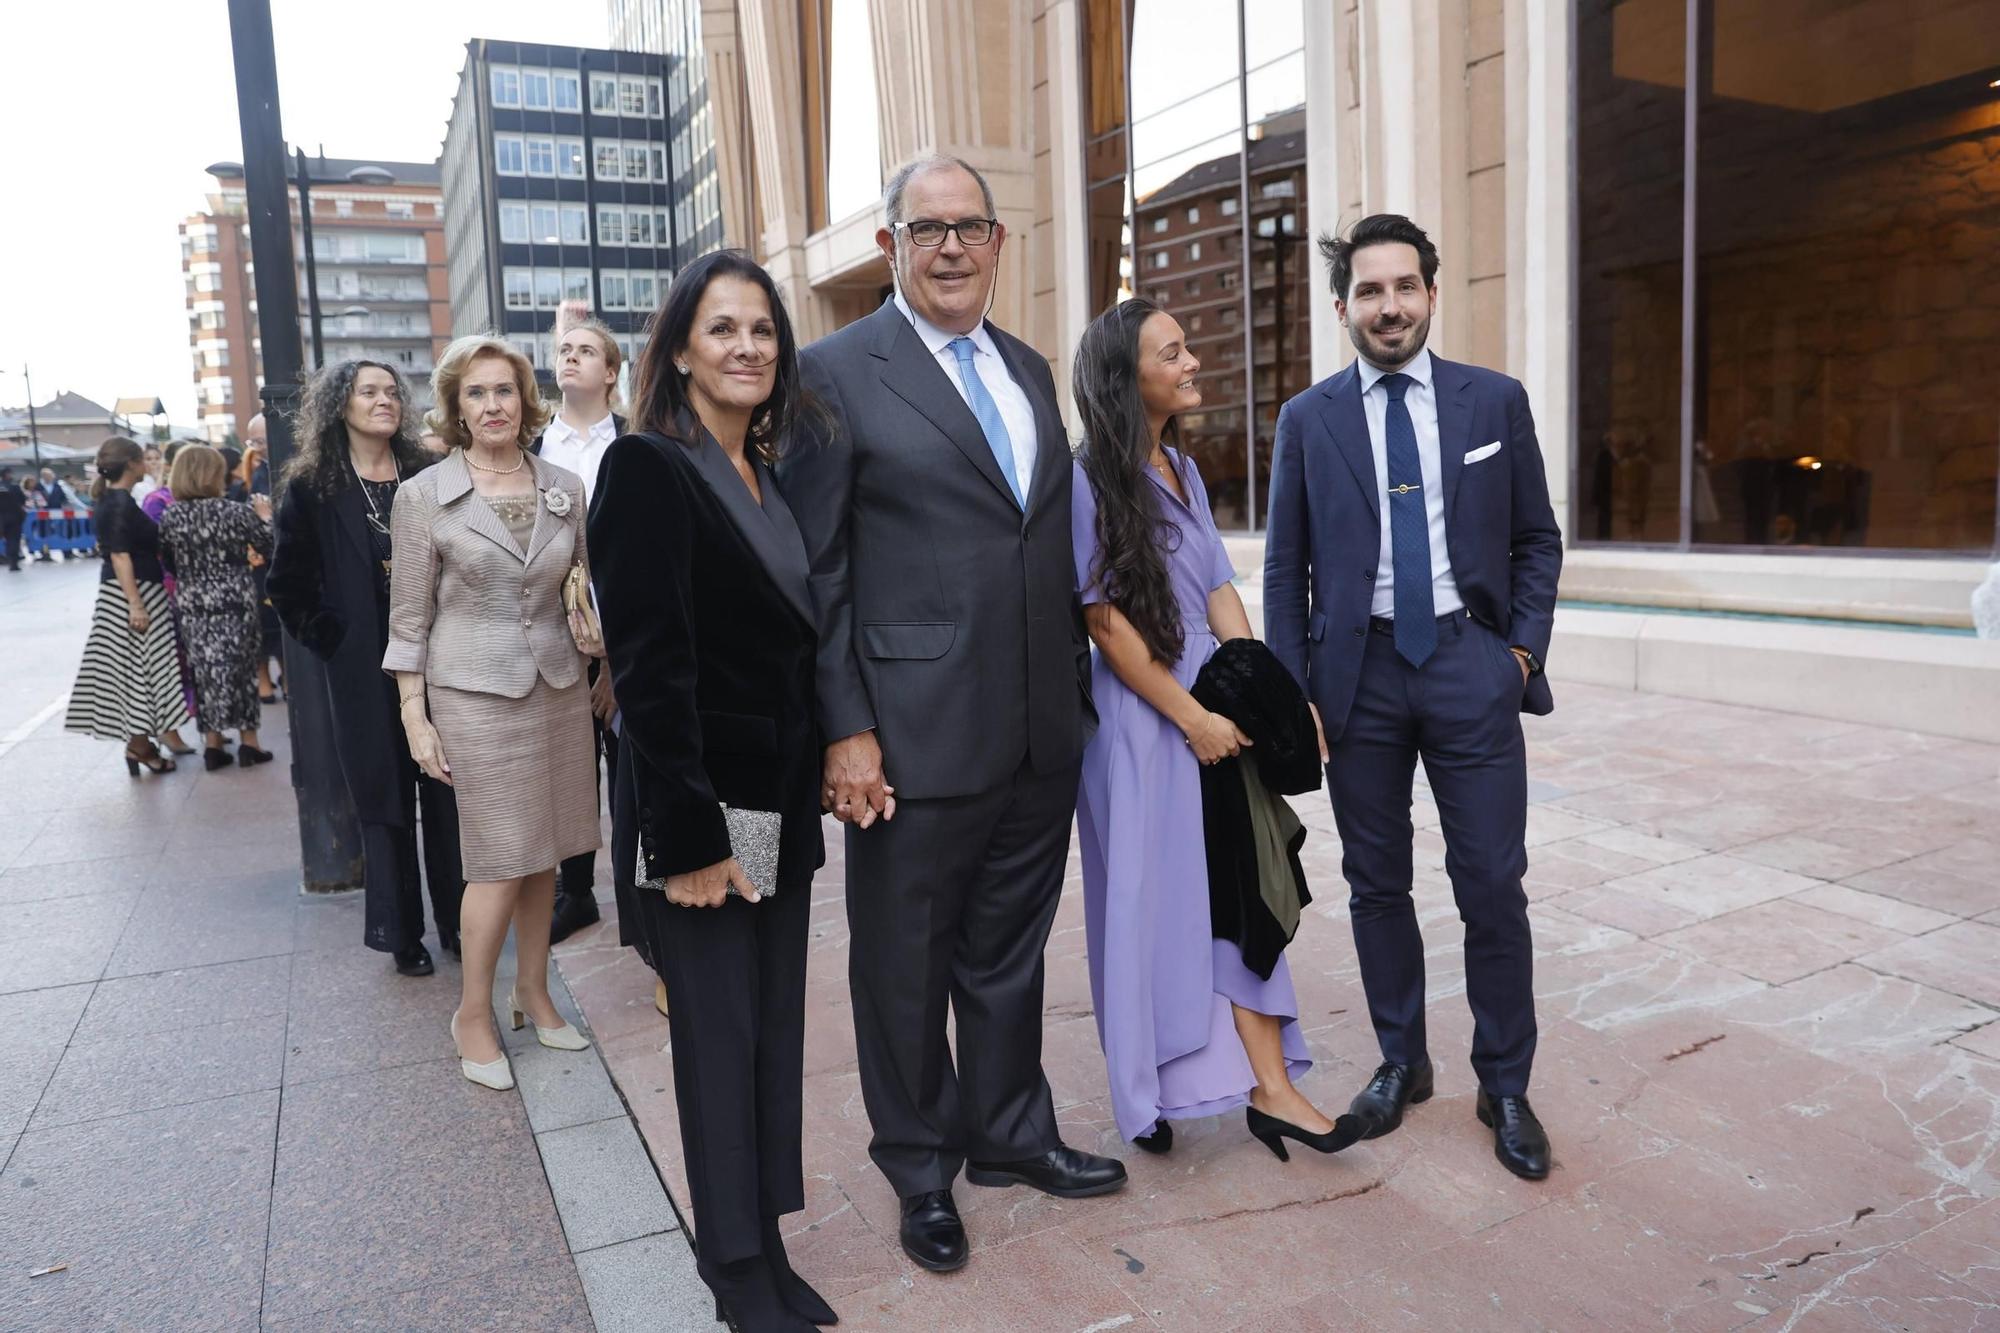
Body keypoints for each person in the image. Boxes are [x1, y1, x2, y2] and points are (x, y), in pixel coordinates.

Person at [778, 155, 1122, 1275]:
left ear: (997, 244)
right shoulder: (831, 373)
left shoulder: (1027, 369)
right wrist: (845, 726)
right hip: (908, 736)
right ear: (888, 246)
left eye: (969, 228)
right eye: (924, 229)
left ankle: (1009, 1135)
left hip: (1035, 729)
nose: (948, 248)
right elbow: (816, 570)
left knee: (1007, 952)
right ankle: (919, 1167)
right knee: (901, 964)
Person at [1263, 215, 1564, 1181]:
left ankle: (1505, 1080)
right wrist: (1294, 693)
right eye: (1369, 290)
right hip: (1361, 681)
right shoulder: (1309, 420)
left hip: (1470, 666)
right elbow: (1284, 570)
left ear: (1431, 294)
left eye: (1404, 286)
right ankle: (1403, 1060)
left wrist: (1517, 652)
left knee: (1491, 884)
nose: (1387, 305)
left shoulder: (1494, 403)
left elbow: (1537, 540)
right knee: (1376, 884)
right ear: (1343, 305)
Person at [593, 250, 832, 1333]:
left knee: (767, 1029)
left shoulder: (763, 477)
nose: (747, 348)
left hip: (774, 802)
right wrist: (683, 838)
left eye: (763, 331)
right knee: (715, 1033)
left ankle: (764, 1237)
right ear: (680, 348)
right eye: (723, 329)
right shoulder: (647, 466)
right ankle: (733, 1268)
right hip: (702, 808)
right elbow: (648, 666)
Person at [1070, 298, 1359, 1162]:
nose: (1193, 361)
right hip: (1143, 717)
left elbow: (1221, 593)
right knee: (1149, 906)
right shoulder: (1087, 480)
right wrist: (1190, 715)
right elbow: (1104, 621)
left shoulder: (1186, 472)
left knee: (1242, 888)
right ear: (1129, 378)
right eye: (1175, 351)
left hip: (1212, 709)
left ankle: (1271, 1087)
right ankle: (1150, 1092)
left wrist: (1268, 696)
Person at [385, 335, 599, 1091]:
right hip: (473, 693)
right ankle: (471, 1010)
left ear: (525, 399)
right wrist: (415, 715)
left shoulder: (565, 485)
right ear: (456, 406)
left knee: (549, 850)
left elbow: (583, 590)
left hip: (560, 686)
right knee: (500, 857)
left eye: (504, 390)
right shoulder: (423, 495)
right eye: (476, 394)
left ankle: (532, 990)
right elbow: (408, 619)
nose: (492, 405)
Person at [269, 361, 465, 977]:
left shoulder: (429, 473)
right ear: (339, 405)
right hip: (361, 668)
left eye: (391, 392)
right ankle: (401, 932)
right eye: (368, 392)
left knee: (446, 790)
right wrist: (338, 637)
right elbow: (287, 586)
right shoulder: (312, 487)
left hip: (438, 657)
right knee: (383, 799)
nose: (384, 401)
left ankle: (461, 922)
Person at [530, 316, 628, 944]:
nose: (570, 358)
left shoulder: (634, 441)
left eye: (586, 351)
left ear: (611, 372)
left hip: (624, 632)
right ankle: (578, 891)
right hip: (552, 631)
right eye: (564, 349)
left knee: (626, 765)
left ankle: (642, 892)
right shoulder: (534, 446)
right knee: (567, 765)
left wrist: (618, 657)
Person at [62, 438, 192, 773]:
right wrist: (136, 604)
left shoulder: (112, 500)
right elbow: (119, 555)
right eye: (143, 459)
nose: (149, 463)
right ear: (133, 463)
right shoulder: (118, 502)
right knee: (143, 672)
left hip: (127, 594)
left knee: (137, 673)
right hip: (134, 595)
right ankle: (139, 746)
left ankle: (141, 746)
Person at [155, 445, 275, 769]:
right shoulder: (234, 512)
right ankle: (249, 743)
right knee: (242, 669)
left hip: (193, 601)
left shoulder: (171, 516)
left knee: (205, 672)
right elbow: (267, 546)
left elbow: (167, 560)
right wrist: (266, 518)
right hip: (236, 599)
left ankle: (213, 744)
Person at [241, 415, 283, 704]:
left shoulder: (279, 467)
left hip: (276, 557)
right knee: (265, 627)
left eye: (260, 441)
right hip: (264, 563)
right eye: (252, 442)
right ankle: (266, 679)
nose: (255, 448)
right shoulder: (259, 473)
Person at [1, 468, 24, 571]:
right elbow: (22, 500)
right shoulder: (14, 487)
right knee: (13, 540)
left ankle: (8, 558)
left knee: (6, 539)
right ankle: (13, 563)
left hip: (1, 518)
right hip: (14, 517)